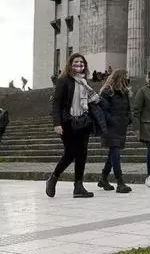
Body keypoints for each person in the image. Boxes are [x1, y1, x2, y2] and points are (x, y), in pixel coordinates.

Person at [46, 53, 107, 199]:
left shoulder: (84, 82)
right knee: (71, 152)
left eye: (81, 62)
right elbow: (57, 103)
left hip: (83, 121)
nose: (79, 64)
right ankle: (54, 177)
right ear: (70, 64)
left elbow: (92, 100)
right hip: (67, 122)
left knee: (82, 153)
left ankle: (78, 186)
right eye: (76, 62)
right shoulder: (64, 80)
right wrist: (57, 123)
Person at [97, 69, 133, 194]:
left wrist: (129, 119)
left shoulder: (124, 92)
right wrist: (112, 120)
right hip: (110, 127)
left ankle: (103, 178)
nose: (128, 79)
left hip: (121, 126)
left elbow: (128, 109)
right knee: (115, 152)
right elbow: (102, 110)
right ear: (119, 77)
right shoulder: (107, 91)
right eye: (126, 76)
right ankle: (120, 182)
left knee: (113, 153)